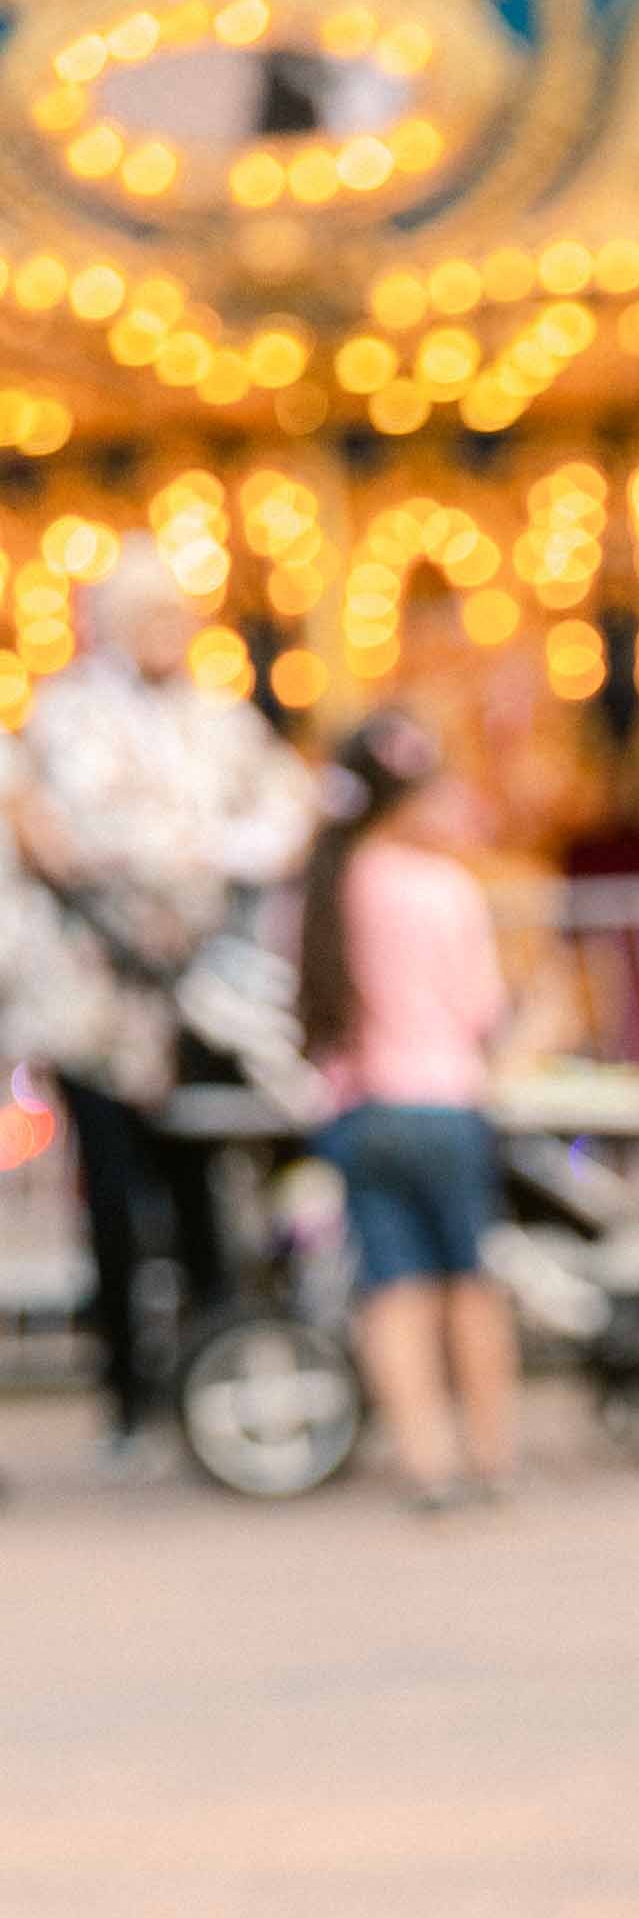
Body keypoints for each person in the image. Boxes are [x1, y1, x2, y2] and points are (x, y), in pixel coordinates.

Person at [10, 539, 316, 1471]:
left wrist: (208, 853)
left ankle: (212, 1378)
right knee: (112, 1199)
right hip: (99, 1006)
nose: (163, 635)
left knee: (208, 1192)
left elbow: (281, 816)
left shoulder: (223, 720)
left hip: (202, 1000)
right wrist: (168, 853)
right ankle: (127, 1395)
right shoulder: (65, 717)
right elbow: (63, 838)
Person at [299, 711, 520, 1512]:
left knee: (393, 1287)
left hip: (361, 1110)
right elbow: (480, 1007)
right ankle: (490, 1457)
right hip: (446, 1103)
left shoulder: (331, 884)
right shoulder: (445, 887)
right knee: (469, 1281)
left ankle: (428, 1466)